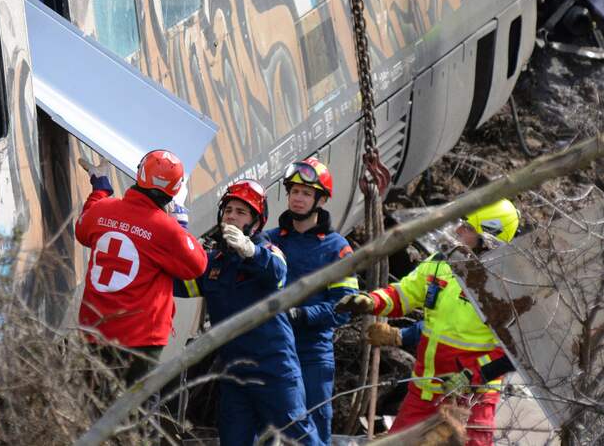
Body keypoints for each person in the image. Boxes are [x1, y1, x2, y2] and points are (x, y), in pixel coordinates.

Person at [336, 199, 521, 445]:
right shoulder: (441, 262)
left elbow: (514, 351)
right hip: (424, 392)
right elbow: (406, 293)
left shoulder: (507, 286)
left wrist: (472, 376)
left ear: (488, 235)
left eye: (466, 227)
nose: (457, 231)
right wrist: (372, 301)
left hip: (472, 400)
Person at [176, 180, 322, 446]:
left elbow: (277, 271)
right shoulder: (213, 263)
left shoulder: (267, 250)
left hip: (274, 370)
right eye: (228, 210)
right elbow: (180, 283)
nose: (231, 216)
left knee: (300, 438)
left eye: (241, 212)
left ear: (255, 223)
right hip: (234, 375)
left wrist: (250, 251)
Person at [75, 149, 207, 384]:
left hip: (94, 331)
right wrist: (180, 226)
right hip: (141, 340)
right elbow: (197, 265)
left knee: (93, 408)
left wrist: (100, 189)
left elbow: (83, 230)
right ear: (175, 192)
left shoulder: (101, 210)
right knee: (135, 413)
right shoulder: (166, 230)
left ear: (140, 174)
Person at [265, 157, 359, 444]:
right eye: (294, 192)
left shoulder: (337, 249)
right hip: (272, 348)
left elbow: (345, 307)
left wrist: (301, 315)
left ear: (321, 200)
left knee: (314, 425)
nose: (298, 198)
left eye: (306, 193)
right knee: (270, 424)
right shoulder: (269, 241)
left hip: (312, 353)